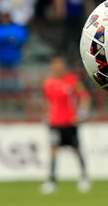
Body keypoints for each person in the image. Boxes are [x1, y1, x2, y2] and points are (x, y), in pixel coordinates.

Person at [40, 55, 92, 194]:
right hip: (55, 123)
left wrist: (82, 114)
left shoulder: (73, 81)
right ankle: (51, 181)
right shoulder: (48, 83)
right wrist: (46, 116)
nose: (58, 69)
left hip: (70, 122)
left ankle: (84, 178)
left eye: (60, 66)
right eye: (56, 67)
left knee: (77, 150)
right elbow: (47, 102)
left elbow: (84, 96)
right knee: (53, 151)